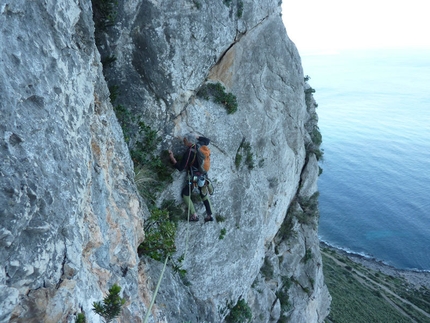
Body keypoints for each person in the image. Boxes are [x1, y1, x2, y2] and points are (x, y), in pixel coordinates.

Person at [168, 133, 214, 223]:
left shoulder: (189, 152)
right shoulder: (200, 145)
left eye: (185, 140)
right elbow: (207, 140)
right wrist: (196, 136)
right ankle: (209, 215)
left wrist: (172, 158)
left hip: (194, 178)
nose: (183, 142)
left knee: (185, 194)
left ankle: (194, 215)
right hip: (204, 175)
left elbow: (181, 167)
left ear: (187, 142)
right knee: (203, 194)